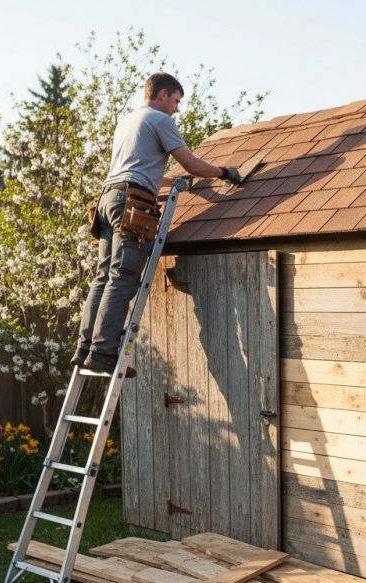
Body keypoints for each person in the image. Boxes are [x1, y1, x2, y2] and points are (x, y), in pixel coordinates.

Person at [73, 72, 240, 373]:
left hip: (107, 200)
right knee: (123, 277)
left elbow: (139, 169)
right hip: (130, 203)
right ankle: (103, 353)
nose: (177, 108)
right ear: (163, 94)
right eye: (176, 101)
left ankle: (86, 348)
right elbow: (191, 163)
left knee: (103, 277)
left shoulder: (128, 121)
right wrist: (223, 172)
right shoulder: (162, 121)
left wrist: (174, 182)